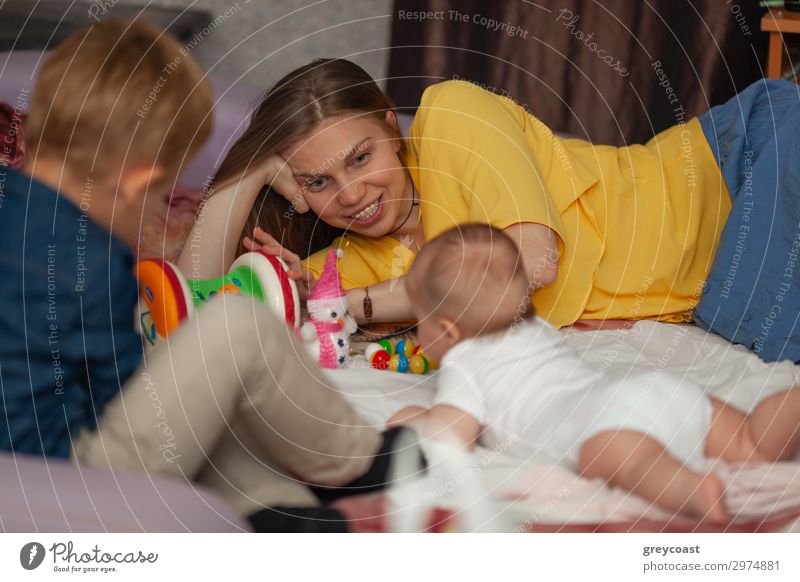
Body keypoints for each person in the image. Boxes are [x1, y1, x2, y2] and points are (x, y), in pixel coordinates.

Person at [0, 20, 405, 531]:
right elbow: (123, 397)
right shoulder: (95, 260)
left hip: (31, 460)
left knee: (198, 390)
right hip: (68, 483)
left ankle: (275, 509)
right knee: (237, 322)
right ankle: (359, 460)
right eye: (158, 194)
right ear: (140, 184)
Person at [181, 57, 730, 338]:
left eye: (361, 157)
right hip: (722, 289)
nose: (352, 195)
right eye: (319, 182)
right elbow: (183, 309)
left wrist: (342, 307)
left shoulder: (453, 115)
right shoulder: (348, 264)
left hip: (732, 175)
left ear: (391, 130)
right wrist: (248, 174)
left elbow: (530, 263)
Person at [388, 224, 800, 522]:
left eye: (419, 317)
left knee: (639, 467)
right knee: (750, 442)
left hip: (603, 427)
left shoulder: (464, 359)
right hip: (657, 389)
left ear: (447, 329)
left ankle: (695, 490)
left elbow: (452, 435)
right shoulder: (533, 326)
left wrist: (414, 420)